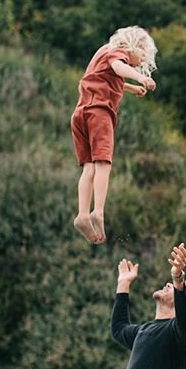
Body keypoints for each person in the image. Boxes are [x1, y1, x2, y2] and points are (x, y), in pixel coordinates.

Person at [71, 26, 157, 245]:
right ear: (133, 46)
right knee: (103, 164)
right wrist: (140, 79)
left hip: (80, 114)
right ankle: (97, 211)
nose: (139, 64)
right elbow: (119, 67)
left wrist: (129, 88)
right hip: (99, 113)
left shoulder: (103, 53)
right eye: (141, 59)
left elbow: (108, 77)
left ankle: (82, 214)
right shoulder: (117, 53)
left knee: (88, 167)